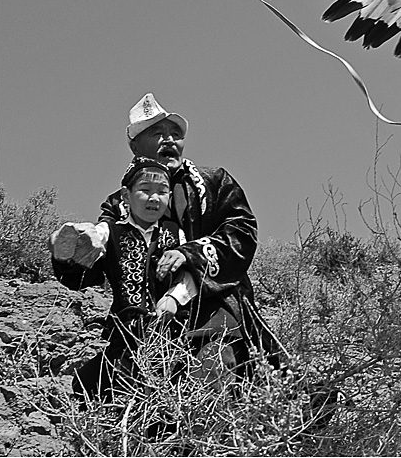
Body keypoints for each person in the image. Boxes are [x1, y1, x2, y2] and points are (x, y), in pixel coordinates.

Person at [53, 93, 285, 387]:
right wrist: (70, 254)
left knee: (214, 377)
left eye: (176, 133)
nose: (170, 140)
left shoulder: (213, 183)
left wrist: (190, 253)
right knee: (92, 387)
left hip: (212, 313)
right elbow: (94, 266)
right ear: (134, 145)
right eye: (158, 133)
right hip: (144, 325)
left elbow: (242, 232)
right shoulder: (119, 206)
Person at [51, 157, 189, 401]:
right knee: (91, 384)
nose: (154, 198)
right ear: (126, 196)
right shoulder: (111, 231)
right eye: (145, 191)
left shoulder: (176, 233)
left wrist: (174, 299)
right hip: (125, 335)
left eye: (162, 192)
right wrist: (71, 246)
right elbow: (84, 266)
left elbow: (194, 273)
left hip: (171, 333)